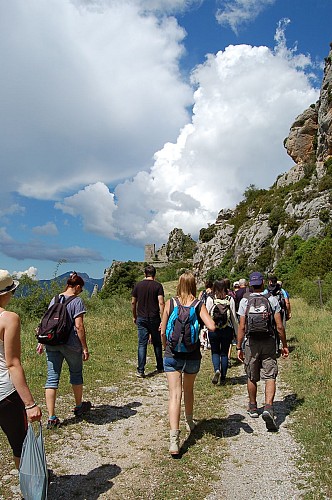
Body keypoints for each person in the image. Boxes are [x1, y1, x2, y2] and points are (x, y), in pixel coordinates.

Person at [161, 272, 215, 455]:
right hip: (192, 354)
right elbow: (212, 326)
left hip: (172, 353)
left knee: (174, 395)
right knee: (188, 390)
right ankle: (190, 421)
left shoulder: (170, 303)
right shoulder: (198, 305)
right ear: (193, 285)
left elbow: (162, 330)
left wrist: (165, 346)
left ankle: (174, 441)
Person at [236, 271, 289, 431]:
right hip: (269, 341)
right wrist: (284, 344)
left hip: (251, 343)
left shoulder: (245, 301)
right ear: (263, 283)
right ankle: (268, 407)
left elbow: (242, 326)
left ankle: (253, 406)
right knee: (270, 375)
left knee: (251, 375)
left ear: (251, 284)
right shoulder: (271, 299)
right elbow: (279, 326)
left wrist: (238, 346)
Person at [0, 270, 42, 468]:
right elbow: (12, 363)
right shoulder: (9, 318)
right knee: (20, 444)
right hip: (5, 394)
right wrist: (30, 404)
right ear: (5, 294)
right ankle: (30, 490)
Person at [43, 272, 90, 428]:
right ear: (76, 287)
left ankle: (51, 417)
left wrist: (41, 342)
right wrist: (84, 347)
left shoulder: (54, 298)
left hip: (52, 343)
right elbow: (79, 326)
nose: (81, 291)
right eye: (81, 288)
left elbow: (47, 321)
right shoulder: (77, 301)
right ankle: (78, 406)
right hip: (71, 345)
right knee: (76, 373)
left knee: (52, 378)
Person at [131, 265, 165, 378]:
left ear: (145, 274)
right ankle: (160, 366)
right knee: (157, 343)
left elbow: (133, 302)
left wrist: (134, 316)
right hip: (154, 317)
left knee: (142, 344)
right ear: (154, 275)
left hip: (141, 317)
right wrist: (163, 319)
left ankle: (141, 370)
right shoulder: (158, 286)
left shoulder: (138, 285)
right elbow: (161, 303)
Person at [206, 280, 238, 385]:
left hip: (213, 329)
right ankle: (223, 377)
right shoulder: (230, 299)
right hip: (227, 329)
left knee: (215, 352)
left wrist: (205, 330)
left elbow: (207, 315)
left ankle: (217, 370)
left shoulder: (210, 299)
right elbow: (233, 317)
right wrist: (237, 333)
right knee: (224, 353)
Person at [198, 280, 213, 350]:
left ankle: (202, 341)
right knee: (208, 326)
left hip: (201, 310)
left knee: (202, 326)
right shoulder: (212, 293)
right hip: (209, 310)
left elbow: (198, 300)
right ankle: (208, 341)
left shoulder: (202, 292)